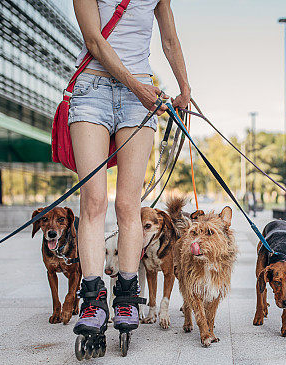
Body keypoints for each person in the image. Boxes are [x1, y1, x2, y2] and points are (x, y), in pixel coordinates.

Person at [70, 0, 190, 338]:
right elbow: (94, 40)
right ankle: (92, 300)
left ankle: (126, 294)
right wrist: (136, 87)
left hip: (139, 94)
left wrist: (185, 88)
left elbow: (169, 40)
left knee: (128, 204)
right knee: (93, 201)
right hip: (92, 89)